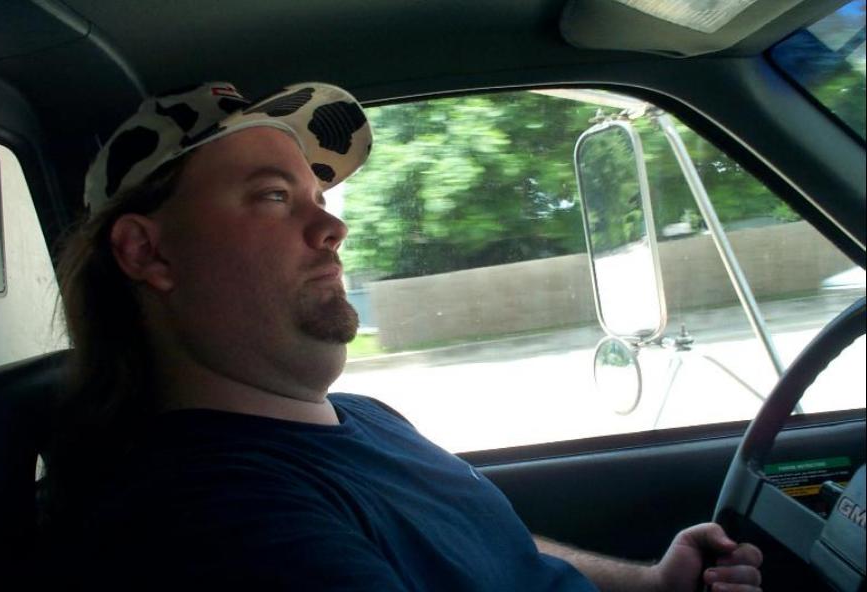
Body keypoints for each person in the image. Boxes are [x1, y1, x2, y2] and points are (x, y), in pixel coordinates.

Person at [45, 81, 763, 591]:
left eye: (319, 198)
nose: (333, 227)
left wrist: (650, 585)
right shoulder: (219, 514)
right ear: (147, 252)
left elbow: (482, 548)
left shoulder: (361, 418)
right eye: (273, 196)